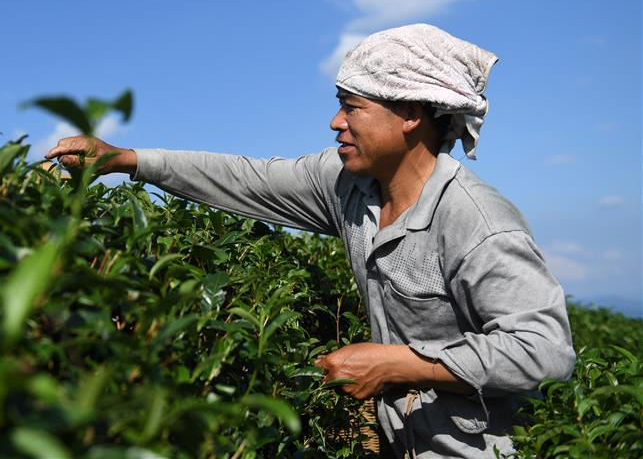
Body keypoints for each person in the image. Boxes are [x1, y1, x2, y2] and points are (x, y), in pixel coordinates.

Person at [45, 23, 576, 458]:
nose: (335, 122)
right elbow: (250, 178)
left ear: (412, 113)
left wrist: (396, 363)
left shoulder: (476, 222)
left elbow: (544, 351)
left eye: (353, 107)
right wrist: (128, 160)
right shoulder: (350, 186)